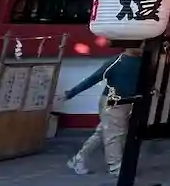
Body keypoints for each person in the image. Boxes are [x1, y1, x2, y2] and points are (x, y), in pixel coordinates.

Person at [56, 47, 142, 177]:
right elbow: (93, 78)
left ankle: (79, 159)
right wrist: (70, 93)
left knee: (103, 133)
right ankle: (115, 167)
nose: (143, 46)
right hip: (112, 103)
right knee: (115, 135)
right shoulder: (116, 62)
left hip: (129, 103)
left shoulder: (141, 62)